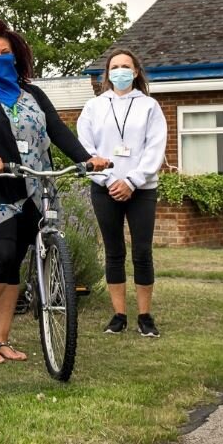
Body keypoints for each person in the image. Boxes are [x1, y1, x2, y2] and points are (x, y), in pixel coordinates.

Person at [0, 19, 107, 365]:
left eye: (4, 52)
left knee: (14, 262)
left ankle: (1, 338)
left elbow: (58, 131)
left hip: (34, 185)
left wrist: (86, 159)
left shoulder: (32, 94)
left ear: (16, 57)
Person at [77, 48, 167, 338]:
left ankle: (144, 316)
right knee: (114, 252)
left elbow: (155, 147)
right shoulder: (93, 107)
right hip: (105, 188)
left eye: (125, 66)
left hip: (141, 189)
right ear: (107, 73)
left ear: (136, 71)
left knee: (142, 252)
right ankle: (118, 315)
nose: (120, 71)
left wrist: (131, 181)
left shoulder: (150, 106)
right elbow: (86, 148)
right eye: (114, 66)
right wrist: (107, 180)